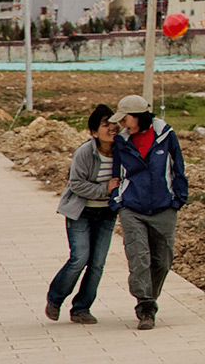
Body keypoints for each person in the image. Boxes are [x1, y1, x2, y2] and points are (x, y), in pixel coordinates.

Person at [113, 93, 187, 330]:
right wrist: (118, 201)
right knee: (139, 258)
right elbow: (117, 172)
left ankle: (150, 298)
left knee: (162, 261)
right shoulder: (122, 141)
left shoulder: (166, 136)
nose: (122, 124)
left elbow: (178, 168)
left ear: (139, 117)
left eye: (125, 119)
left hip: (164, 207)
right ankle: (145, 307)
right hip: (132, 208)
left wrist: (178, 199)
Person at [47, 105, 119, 324]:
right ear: (94, 132)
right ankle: (55, 298)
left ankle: (81, 308)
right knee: (79, 258)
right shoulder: (85, 152)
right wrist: (104, 189)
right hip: (81, 212)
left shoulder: (122, 151)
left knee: (97, 263)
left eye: (113, 123)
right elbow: (76, 184)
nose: (111, 128)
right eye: (104, 125)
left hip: (106, 213)